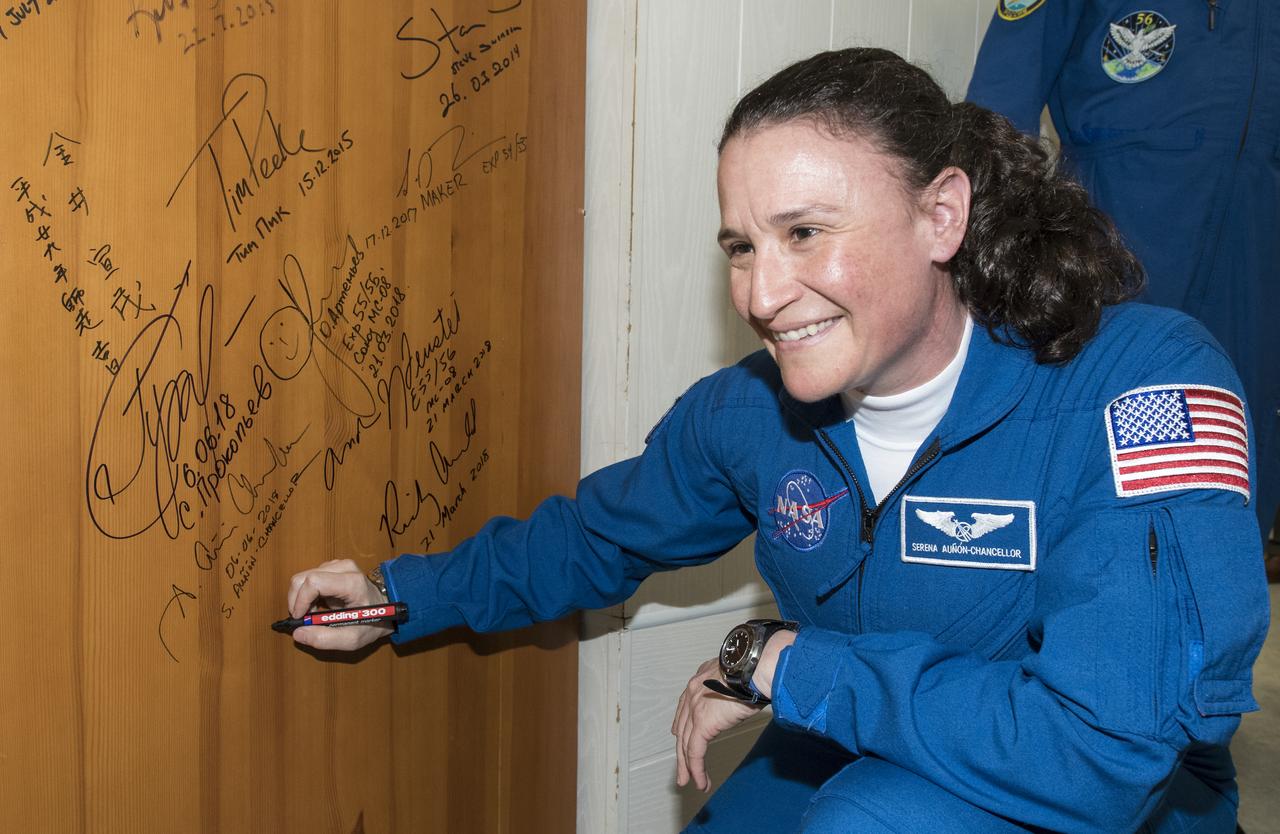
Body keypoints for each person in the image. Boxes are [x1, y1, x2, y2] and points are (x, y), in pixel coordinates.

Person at [286, 48, 1269, 833]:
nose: (760, 294)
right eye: (741, 246)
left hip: (1103, 794)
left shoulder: (1140, 385)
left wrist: (783, 664)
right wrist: (397, 595)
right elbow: (593, 538)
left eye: (804, 233)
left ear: (940, 215)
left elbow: (1096, 755)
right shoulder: (751, 414)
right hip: (856, 732)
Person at [965, 1, 1280, 580]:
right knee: (1094, 469)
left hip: (1256, 265)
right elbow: (995, 120)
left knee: (1233, 469)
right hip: (1111, 256)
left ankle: (1210, 623)